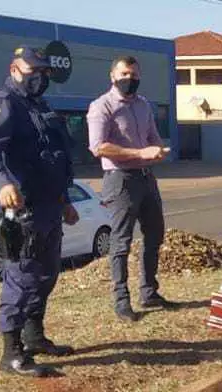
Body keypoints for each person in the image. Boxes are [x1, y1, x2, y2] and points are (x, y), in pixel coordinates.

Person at [0, 46, 79, 377]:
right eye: (34, 70)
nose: (40, 77)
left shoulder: (40, 105)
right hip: (22, 209)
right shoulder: (3, 103)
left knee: (46, 275)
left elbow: (53, 156)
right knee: (21, 278)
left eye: (44, 72)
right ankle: (11, 353)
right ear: (15, 68)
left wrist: (64, 200)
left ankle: (34, 337)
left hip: (49, 206)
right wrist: (2, 182)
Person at [87, 56, 175, 322]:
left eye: (135, 75)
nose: (130, 79)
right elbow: (98, 147)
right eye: (125, 74)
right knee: (121, 240)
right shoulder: (101, 106)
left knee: (155, 234)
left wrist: (158, 150)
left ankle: (149, 292)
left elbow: (152, 137)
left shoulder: (143, 104)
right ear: (113, 76)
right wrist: (139, 152)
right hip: (120, 179)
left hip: (147, 177)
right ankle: (121, 300)